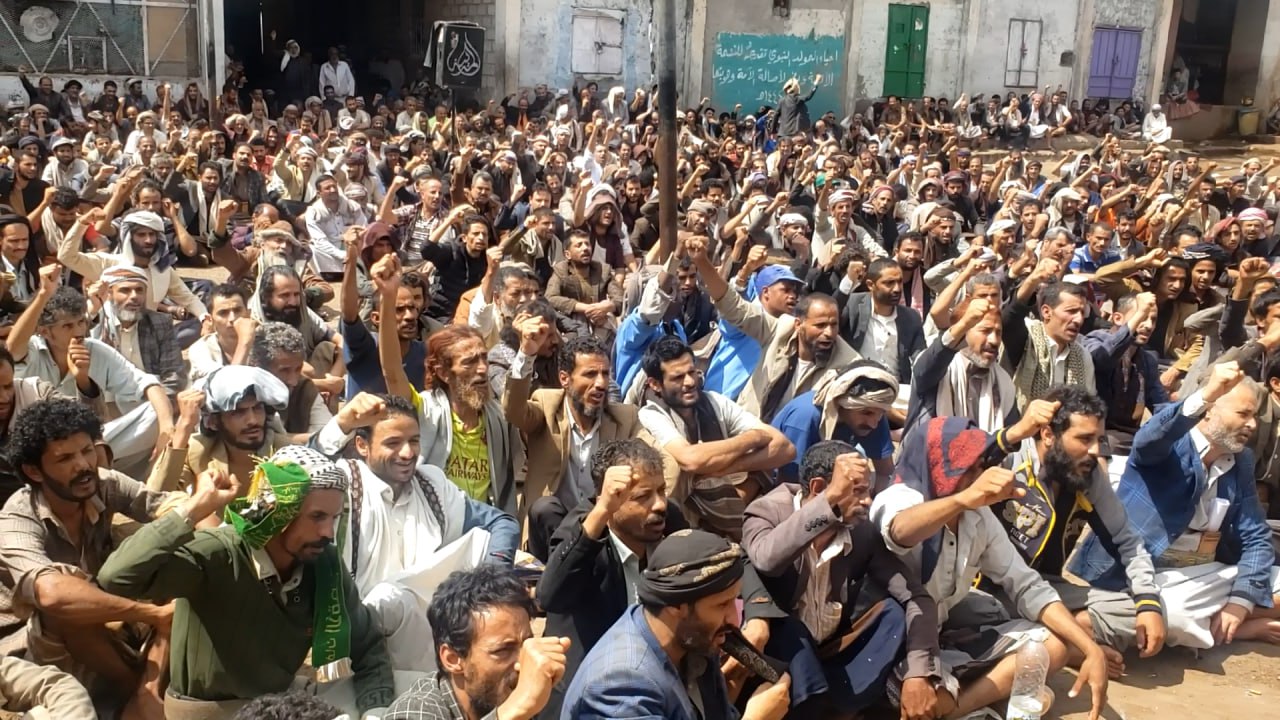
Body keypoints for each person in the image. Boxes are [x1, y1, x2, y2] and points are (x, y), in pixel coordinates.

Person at [98, 445, 395, 718]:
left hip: (283, 705)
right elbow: (116, 577)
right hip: (212, 713)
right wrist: (194, 509)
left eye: (334, 517)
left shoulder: (323, 564)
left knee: (404, 690)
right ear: (279, 511)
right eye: (317, 516)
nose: (328, 532)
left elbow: (368, 646)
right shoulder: (218, 554)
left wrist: (376, 712)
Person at [870, 416, 1109, 719]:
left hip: (936, 638)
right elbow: (899, 531)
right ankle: (975, 701)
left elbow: (1026, 585)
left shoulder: (977, 518)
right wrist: (962, 499)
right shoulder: (901, 497)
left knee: (1051, 648)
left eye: (980, 466)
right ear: (939, 465)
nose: (978, 476)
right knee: (926, 700)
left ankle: (961, 708)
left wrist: (1090, 649)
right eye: (967, 468)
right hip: (889, 647)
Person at [1071, 362, 1280, 649]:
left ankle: (1221, 623)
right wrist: (1206, 393)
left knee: (1254, 585)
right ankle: (1229, 629)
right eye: (1243, 414)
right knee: (1173, 616)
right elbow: (1150, 437)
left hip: (1205, 574)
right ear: (1209, 411)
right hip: (1144, 573)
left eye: (1254, 415)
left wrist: (1240, 603)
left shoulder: (1240, 460)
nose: (1253, 424)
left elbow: (1256, 535)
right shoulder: (1167, 446)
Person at [0, 399, 184, 717]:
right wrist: (151, 614)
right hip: (33, 651)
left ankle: (145, 693)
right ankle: (136, 693)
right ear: (34, 471)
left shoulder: (103, 484)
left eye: (87, 451)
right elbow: (52, 595)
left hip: (104, 630)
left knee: (176, 558)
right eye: (65, 458)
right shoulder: (17, 518)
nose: (83, 465)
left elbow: (170, 506)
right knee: (65, 599)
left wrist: (204, 513)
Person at [742, 440, 942, 719]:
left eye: (868, 491)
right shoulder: (767, 512)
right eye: (857, 491)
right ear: (818, 488)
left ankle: (841, 708)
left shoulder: (861, 532)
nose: (867, 501)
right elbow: (767, 559)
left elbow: (915, 596)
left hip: (831, 648)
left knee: (895, 615)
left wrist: (919, 672)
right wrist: (828, 504)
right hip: (786, 655)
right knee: (790, 631)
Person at [991, 387, 1168, 677]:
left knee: (1144, 612)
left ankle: (1062, 638)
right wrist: (1012, 434)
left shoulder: (1087, 475)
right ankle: (1072, 647)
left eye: (1099, 439)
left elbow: (1127, 542)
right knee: (971, 614)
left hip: (1046, 588)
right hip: (990, 592)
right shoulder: (1009, 462)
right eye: (1084, 439)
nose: (1096, 451)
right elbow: (956, 469)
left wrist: (1148, 600)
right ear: (1048, 435)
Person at [559, 528, 793, 720]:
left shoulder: (693, 638)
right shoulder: (622, 684)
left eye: (735, 601)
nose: (734, 619)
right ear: (676, 606)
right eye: (722, 605)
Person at [374, 258, 517, 515]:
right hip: (433, 520)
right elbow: (392, 372)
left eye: (483, 359)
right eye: (470, 362)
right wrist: (387, 297)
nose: (482, 369)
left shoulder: (498, 416)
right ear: (443, 372)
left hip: (485, 522)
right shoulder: (426, 410)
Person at [7, 269, 176, 475]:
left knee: (160, 411)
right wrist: (43, 295)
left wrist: (167, 427)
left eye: (81, 322)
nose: (78, 331)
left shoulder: (95, 350)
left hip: (89, 445)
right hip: (37, 449)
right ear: (45, 332)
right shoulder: (32, 351)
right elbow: (12, 349)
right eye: (67, 326)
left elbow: (148, 384)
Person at [502, 321, 641, 560]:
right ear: (564, 379)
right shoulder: (546, 405)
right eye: (590, 374)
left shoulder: (625, 417)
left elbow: (658, 456)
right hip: (551, 532)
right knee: (545, 507)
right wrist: (526, 354)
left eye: (605, 374)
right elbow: (514, 410)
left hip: (603, 528)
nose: (601, 383)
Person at [639, 335, 794, 538]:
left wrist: (726, 468)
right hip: (681, 529)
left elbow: (785, 448)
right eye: (678, 378)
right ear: (655, 384)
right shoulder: (650, 415)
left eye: (692, 372)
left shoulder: (715, 402)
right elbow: (691, 460)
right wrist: (752, 439)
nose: (689, 382)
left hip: (729, 507)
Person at [689, 236, 856, 423]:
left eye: (834, 325)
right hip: (726, 411)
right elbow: (730, 303)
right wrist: (702, 261)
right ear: (799, 324)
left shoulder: (844, 357)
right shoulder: (775, 327)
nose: (829, 333)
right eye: (786, 290)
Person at [384, 565, 568, 720]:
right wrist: (518, 707)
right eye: (503, 650)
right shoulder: (414, 711)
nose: (523, 662)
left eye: (527, 644)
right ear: (452, 659)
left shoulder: (510, 696)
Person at [771, 361, 898, 487]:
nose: (873, 424)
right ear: (843, 402)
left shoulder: (874, 413)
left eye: (881, 413)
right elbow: (788, 484)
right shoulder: (806, 417)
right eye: (866, 413)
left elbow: (885, 473)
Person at [907, 296, 1016, 433]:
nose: (994, 340)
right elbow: (925, 370)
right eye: (985, 331)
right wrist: (963, 324)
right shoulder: (938, 367)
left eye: (998, 333)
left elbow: (1010, 436)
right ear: (963, 332)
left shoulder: (1003, 382)